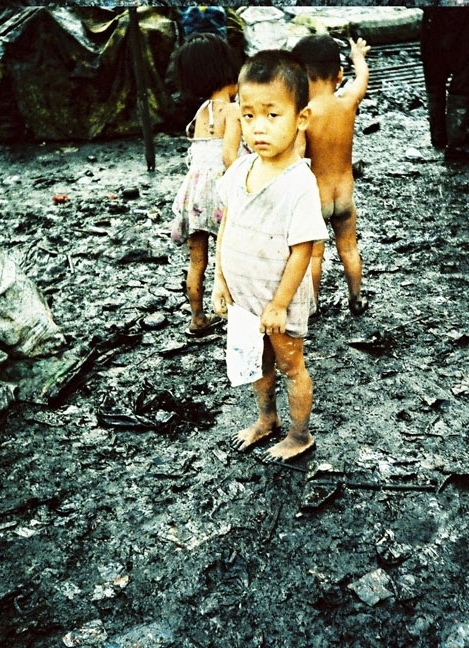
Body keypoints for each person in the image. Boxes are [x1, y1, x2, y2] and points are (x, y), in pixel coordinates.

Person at [211, 50, 327, 461]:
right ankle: (266, 419)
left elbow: (304, 248)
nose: (258, 128)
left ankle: (299, 435)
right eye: (248, 115)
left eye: (272, 115)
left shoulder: (299, 184)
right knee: (257, 365)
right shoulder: (240, 170)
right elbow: (226, 224)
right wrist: (220, 281)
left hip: (278, 299)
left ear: (301, 119)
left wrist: (279, 304)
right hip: (244, 297)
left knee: (290, 365)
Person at [169, 33, 242, 337]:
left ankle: (197, 318)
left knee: (197, 260)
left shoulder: (200, 113)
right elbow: (229, 157)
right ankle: (233, 310)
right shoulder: (234, 112)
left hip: (194, 194)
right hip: (221, 190)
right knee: (231, 255)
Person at [291, 34, 370, 316]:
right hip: (345, 196)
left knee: (314, 254)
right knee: (349, 246)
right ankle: (357, 298)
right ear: (338, 75)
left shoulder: (305, 115)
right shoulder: (348, 102)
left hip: (317, 198)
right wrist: (357, 57)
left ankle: (311, 306)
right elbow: (361, 77)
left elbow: (297, 159)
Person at [420, 7, 469, 160]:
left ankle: (440, 135)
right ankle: (459, 141)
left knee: (435, 70)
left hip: (436, 14)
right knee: (467, 69)